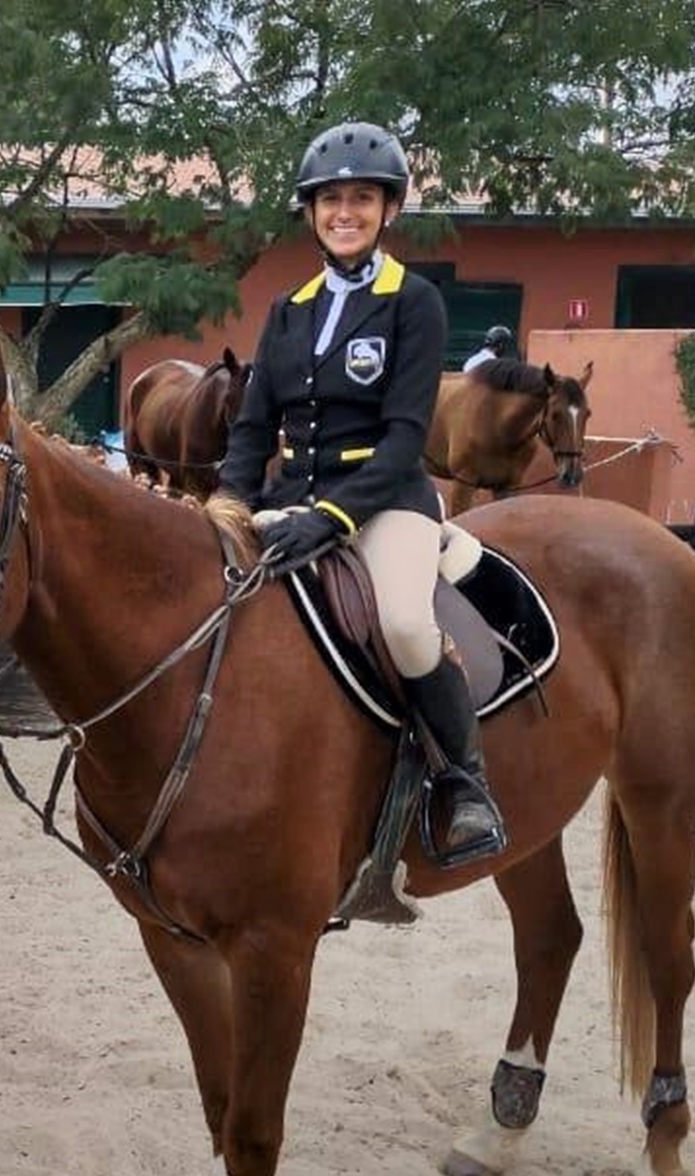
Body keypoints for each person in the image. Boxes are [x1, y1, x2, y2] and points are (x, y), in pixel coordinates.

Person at [217, 120, 504, 863]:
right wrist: (228, 504)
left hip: (385, 503)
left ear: (389, 210)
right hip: (295, 497)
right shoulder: (289, 310)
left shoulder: (415, 302)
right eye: (332, 199)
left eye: (363, 199)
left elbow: (408, 436)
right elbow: (253, 429)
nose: (346, 212)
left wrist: (334, 516)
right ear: (311, 212)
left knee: (406, 625)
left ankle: (463, 784)